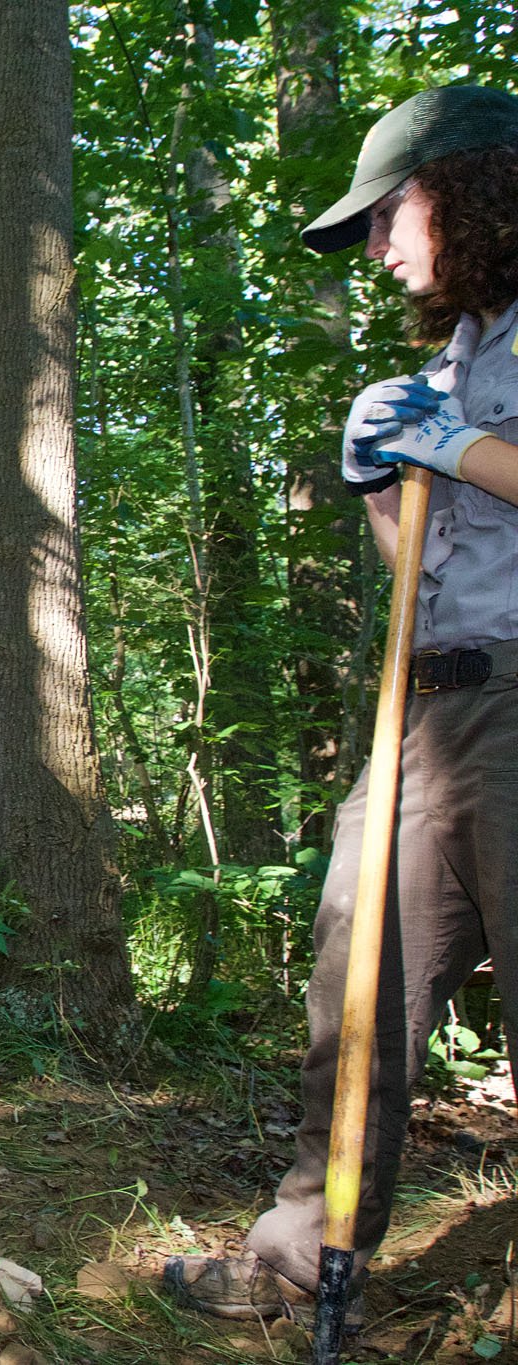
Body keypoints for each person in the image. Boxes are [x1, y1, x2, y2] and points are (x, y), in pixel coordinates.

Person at [165, 85, 518, 1328]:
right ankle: (299, 1261)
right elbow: (419, 571)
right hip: (427, 708)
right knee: (355, 979)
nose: (378, 247)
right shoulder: (454, 356)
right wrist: (382, 474)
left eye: (389, 214)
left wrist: (453, 447)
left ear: (469, 186)